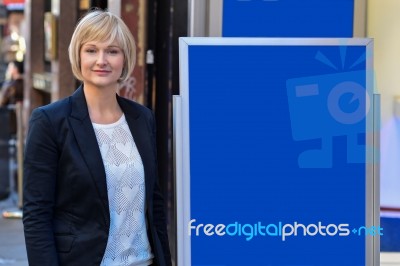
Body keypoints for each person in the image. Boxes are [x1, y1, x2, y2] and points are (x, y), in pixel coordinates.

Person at [23, 9, 172, 266]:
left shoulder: (142, 118)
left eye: (112, 51)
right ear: (78, 56)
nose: (101, 60)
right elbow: (37, 215)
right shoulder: (50, 121)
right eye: (91, 50)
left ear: (124, 59)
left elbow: (154, 203)